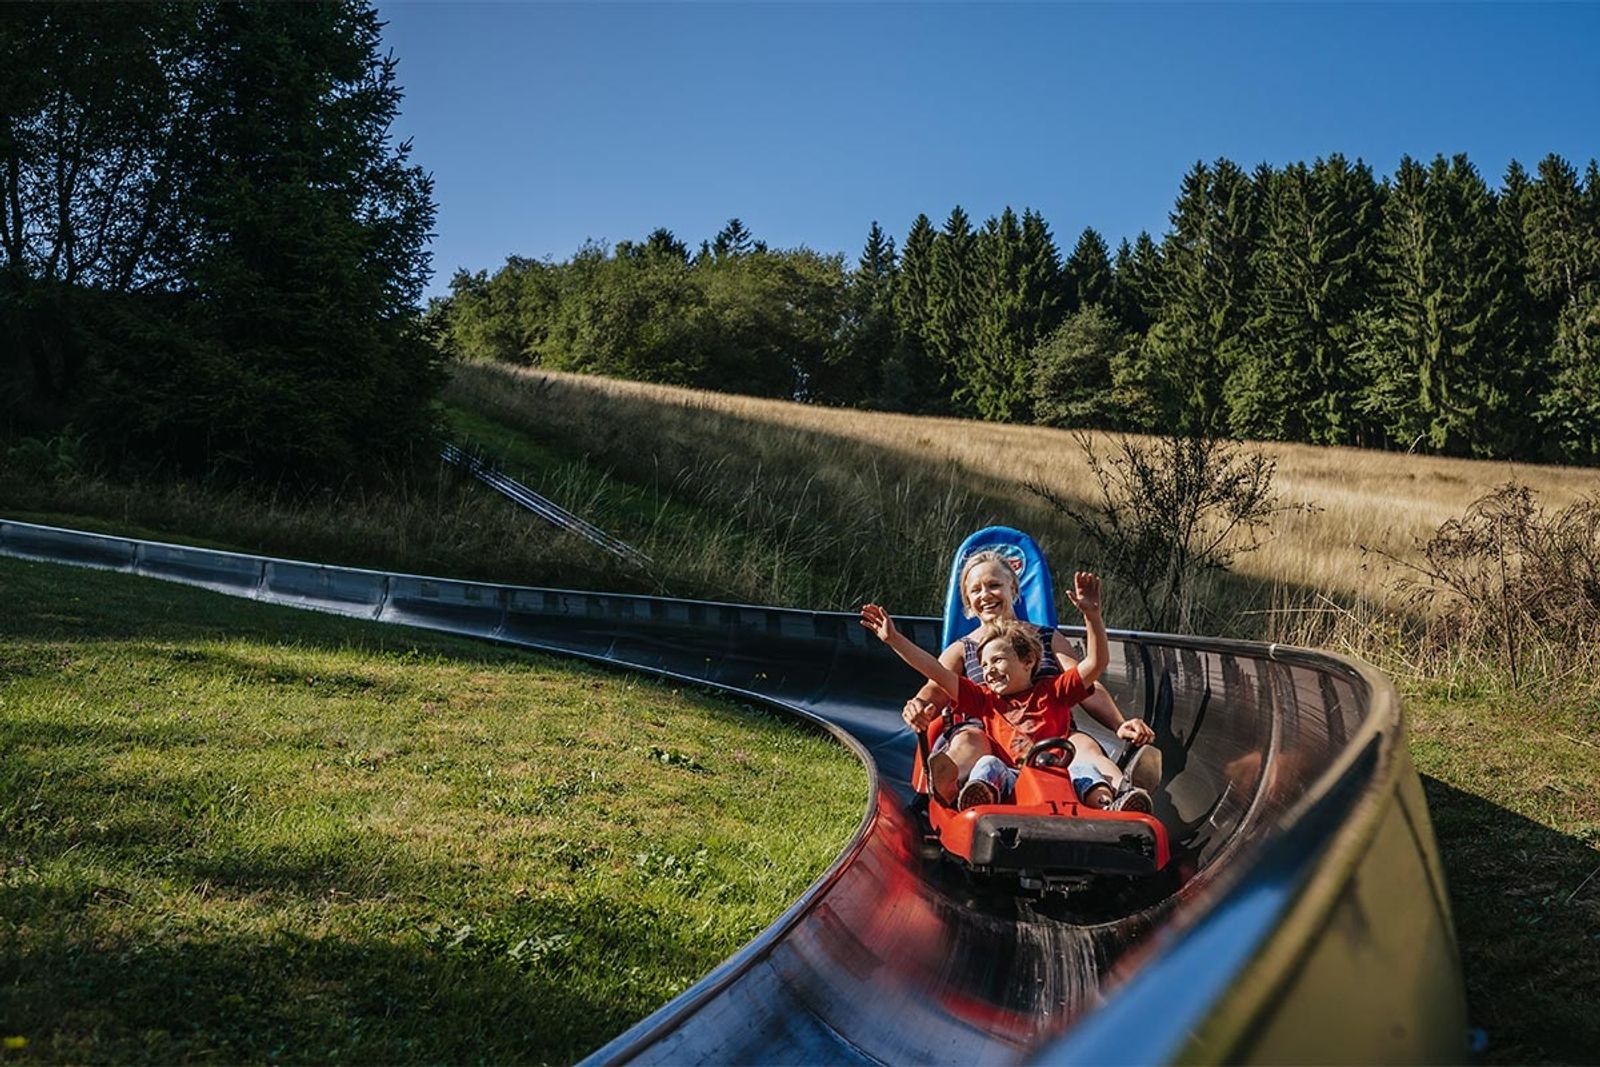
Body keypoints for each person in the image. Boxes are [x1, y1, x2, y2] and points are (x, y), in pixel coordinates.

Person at [861, 572, 1153, 814]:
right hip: (1003, 762)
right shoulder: (985, 696)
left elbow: (1094, 667)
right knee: (986, 763)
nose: (988, 670)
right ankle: (969, 796)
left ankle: (1118, 798)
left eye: (994, 585)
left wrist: (1092, 616)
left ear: (1028, 662)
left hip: (1056, 759)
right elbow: (935, 676)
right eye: (975, 589)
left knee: (1084, 766)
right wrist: (895, 640)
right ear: (968, 602)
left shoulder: (1052, 687)